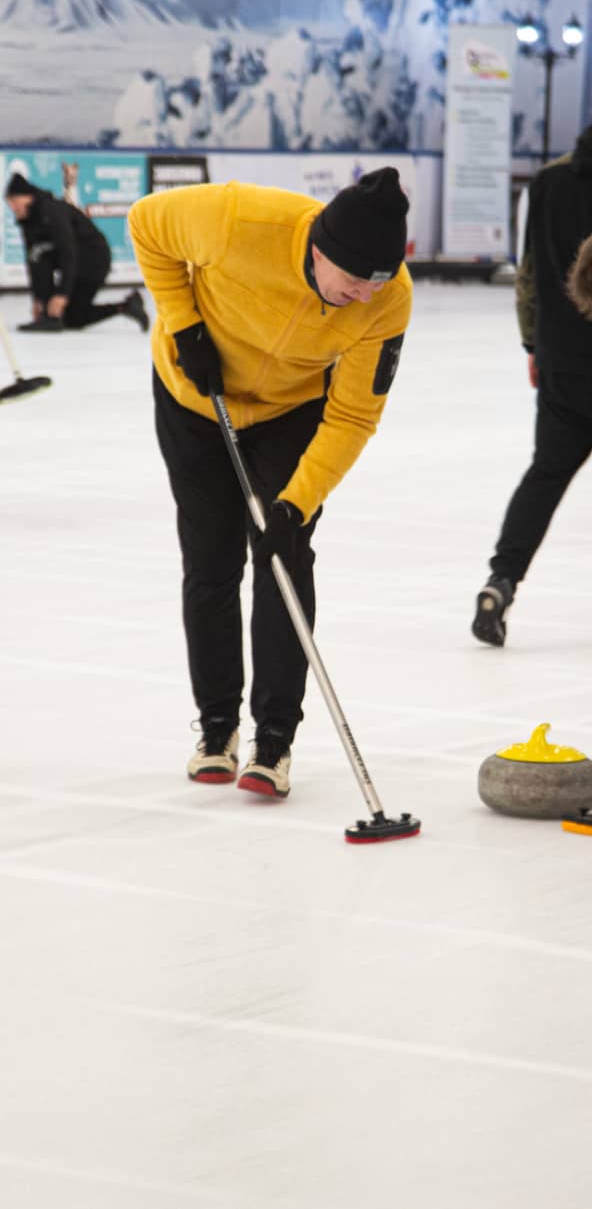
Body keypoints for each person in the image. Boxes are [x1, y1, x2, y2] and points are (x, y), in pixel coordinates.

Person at [128, 167, 411, 796]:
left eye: (379, 282)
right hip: (196, 398)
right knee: (211, 558)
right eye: (357, 281)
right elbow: (147, 223)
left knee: (285, 556)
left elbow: (355, 413)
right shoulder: (239, 220)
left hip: (290, 411)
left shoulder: (388, 300)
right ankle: (216, 727)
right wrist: (182, 322)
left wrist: (297, 503)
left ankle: (274, 740)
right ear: (319, 250)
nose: (367, 295)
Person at [472, 51, 592, 650]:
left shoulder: (549, 180)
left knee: (545, 476)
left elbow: (530, 272)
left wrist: (533, 342)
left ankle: (501, 580)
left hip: (561, 362)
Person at [4, 172, 149, 333]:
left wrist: (62, 294)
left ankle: (53, 317)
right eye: (9, 202)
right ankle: (125, 306)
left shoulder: (52, 211)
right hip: (70, 260)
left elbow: (68, 252)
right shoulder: (27, 220)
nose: (12, 207)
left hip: (94, 259)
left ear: (27, 197)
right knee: (72, 318)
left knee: (70, 313)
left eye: (14, 201)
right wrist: (37, 299)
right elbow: (32, 258)